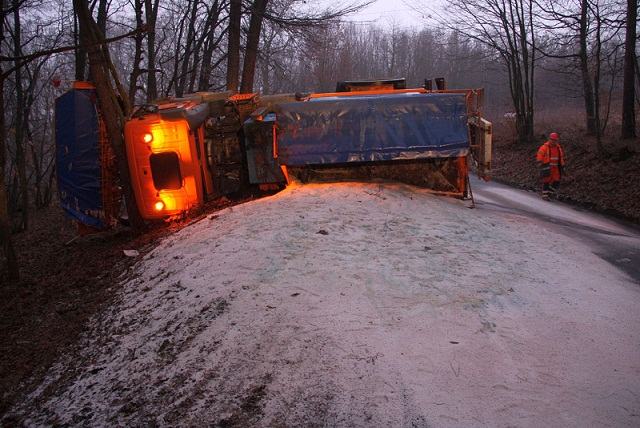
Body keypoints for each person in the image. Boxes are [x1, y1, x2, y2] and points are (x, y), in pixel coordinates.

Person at [536, 132, 565, 200]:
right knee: (546, 180)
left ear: (557, 140)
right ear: (549, 139)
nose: (553, 141)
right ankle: (545, 195)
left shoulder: (558, 148)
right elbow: (540, 154)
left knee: (557, 180)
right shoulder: (544, 147)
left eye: (554, 140)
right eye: (552, 139)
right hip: (547, 166)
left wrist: (563, 165)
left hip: (556, 168)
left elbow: (561, 157)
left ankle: (550, 193)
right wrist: (540, 162)